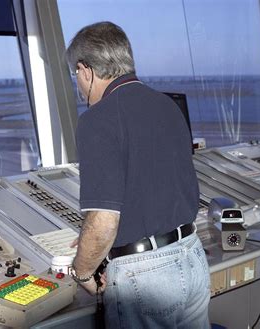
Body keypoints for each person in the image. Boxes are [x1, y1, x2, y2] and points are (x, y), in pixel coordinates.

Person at [66, 21, 210, 328]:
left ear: (85, 70)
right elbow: (152, 186)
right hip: (192, 257)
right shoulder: (167, 106)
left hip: (146, 278)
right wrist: (93, 241)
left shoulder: (97, 120)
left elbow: (104, 222)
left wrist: (83, 271)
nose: (78, 84)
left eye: (75, 75)